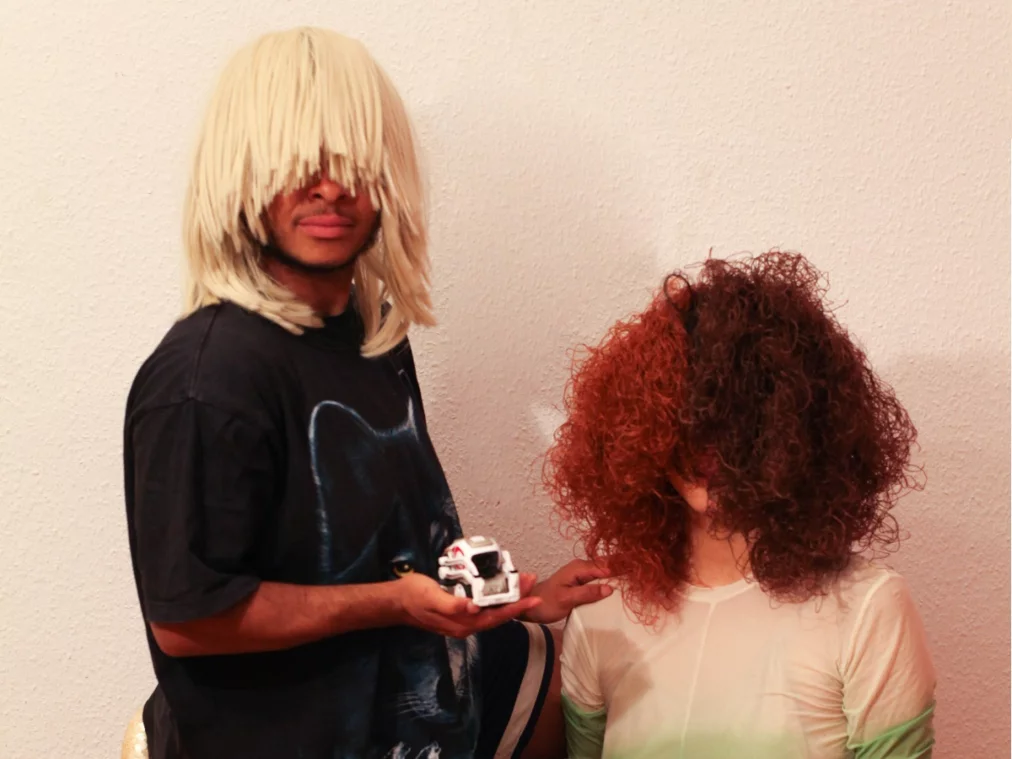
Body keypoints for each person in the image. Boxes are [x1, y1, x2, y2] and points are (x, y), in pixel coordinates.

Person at [123, 26, 610, 759]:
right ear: (241, 173)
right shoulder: (206, 380)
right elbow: (189, 621)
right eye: (299, 164)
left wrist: (503, 597)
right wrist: (393, 604)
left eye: (353, 162)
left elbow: (384, 549)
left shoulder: (371, 334)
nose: (331, 188)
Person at [543, 251, 937, 758]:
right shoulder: (602, 613)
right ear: (645, 426)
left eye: (742, 421)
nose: (710, 448)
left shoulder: (867, 610)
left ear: (798, 431)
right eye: (688, 417)